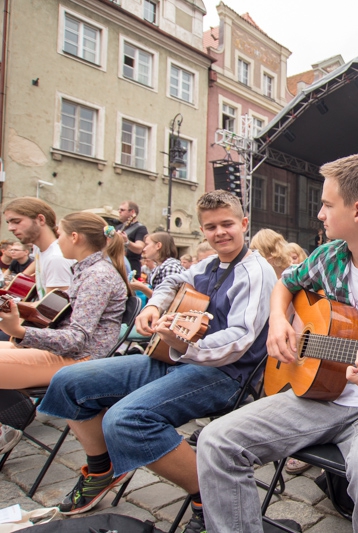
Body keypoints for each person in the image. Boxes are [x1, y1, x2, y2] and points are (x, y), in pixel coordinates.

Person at [196, 153, 358, 533]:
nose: (320, 214)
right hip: (318, 394)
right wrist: (277, 323)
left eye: (326, 204)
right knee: (215, 441)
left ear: (357, 211)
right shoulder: (329, 256)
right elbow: (286, 284)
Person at [38, 191, 275, 533]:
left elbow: (239, 341)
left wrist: (184, 347)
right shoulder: (208, 265)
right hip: (175, 358)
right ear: (202, 230)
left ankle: (209, 496)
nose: (220, 232)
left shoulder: (256, 272)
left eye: (227, 224)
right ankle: (102, 467)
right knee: (69, 380)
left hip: (226, 375)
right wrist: (153, 307)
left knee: (127, 420)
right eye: (211, 227)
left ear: (244, 224)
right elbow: (175, 281)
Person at [0, 213, 128, 455]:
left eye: (59, 235)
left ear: (75, 237)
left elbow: (76, 339)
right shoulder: (88, 271)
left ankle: (10, 422)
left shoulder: (98, 276)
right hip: (72, 353)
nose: (57, 242)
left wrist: (19, 331)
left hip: (79, 359)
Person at [4, 198, 74, 298]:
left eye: (16, 221)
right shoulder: (39, 248)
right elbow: (36, 265)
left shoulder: (56, 258)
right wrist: (16, 283)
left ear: (41, 219)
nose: (10, 228)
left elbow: (51, 309)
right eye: (9, 223)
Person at [128, 232, 184, 299]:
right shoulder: (158, 268)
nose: (144, 249)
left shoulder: (171, 267)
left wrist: (142, 288)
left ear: (158, 246)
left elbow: (166, 300)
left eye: (146, 245)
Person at [115, 201, 147, 278]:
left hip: (131, 270)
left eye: (122, 210)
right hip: (117, 267)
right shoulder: (118, 227)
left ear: (132, 212)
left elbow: (139, 248)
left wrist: (127, 242)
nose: (119, 212)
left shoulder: (140, 228)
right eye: (119, 209)